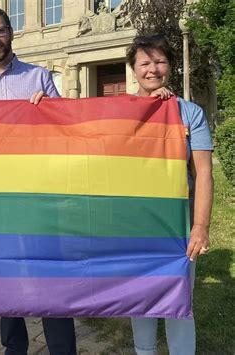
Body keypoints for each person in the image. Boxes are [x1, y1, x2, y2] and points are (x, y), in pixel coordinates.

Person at [0, 6, 77, 355]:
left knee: (49, 269)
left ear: (11, 32)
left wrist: (52, 107)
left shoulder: (39, 77)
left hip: (38, 195)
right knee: (2, 272)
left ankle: (62, 347)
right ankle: (15, 347)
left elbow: (64, 130)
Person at [126, 34, 214, 355]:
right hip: (133, 229)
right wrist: (44, 105)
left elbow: (203, 172)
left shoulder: (189, 113)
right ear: (133, 70)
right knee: (140, 301)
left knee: (178, 303)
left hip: (178, 230)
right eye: (145, 63)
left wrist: (200, 227)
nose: (153, 69)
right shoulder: (121, 112)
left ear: (170, 66)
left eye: (160, 61)